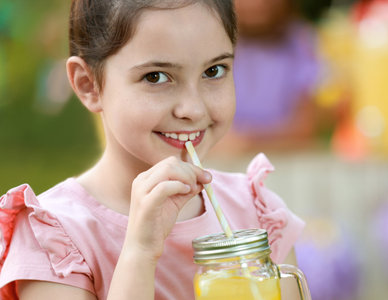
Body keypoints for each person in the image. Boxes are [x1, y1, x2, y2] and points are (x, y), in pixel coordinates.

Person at [0, 1, 305, 300]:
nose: (193, 108)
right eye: (156, 77)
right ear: (88, 84)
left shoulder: (256, 214)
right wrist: (139, 253)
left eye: (214, 71)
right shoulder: (55, 239)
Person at [210, 0, 323, 156]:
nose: (257, 4)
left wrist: (248, 143)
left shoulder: (301, 41)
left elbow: (305, 129)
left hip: (283, 164)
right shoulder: (207, 40)